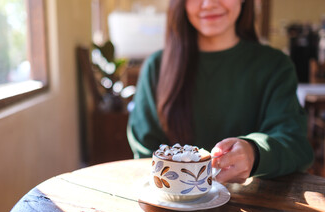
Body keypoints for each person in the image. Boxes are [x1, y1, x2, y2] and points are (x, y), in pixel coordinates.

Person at [127, 0, 314, 183]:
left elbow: (295, 144)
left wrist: (254, 152)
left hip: (255, 206)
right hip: (172, 205)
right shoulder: (157, 67)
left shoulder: (275, 66)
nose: (208, 4)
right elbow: (144, 153)